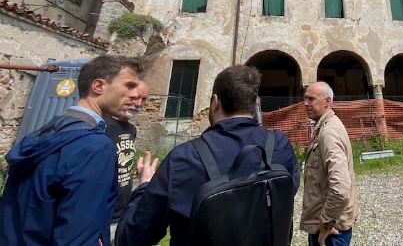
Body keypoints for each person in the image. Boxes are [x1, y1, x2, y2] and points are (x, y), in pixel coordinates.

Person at [115, 65, 300, 246]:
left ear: (215, 101)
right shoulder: (279, 145)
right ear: (255, 103)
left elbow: (133, 237)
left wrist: (143, 186)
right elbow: (288, 189)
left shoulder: (184, 158)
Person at [0, 55, 143, 246]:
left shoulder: (51, 128)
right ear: (99, 86)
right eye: (129, 86)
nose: (135, 95)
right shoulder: (94, 146)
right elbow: (78, 235)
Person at [299, 82, 360, 246]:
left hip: (331, 231)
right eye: (305, 98)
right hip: (329, 224)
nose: (305, 103)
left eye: (311, 99)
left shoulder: (329, 132)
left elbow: (340, 188)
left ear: (326, 101)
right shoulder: (324, 126)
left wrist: (325, 225)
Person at [105, 81, 150, 244]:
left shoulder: (131, 129)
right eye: (135, 97)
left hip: (121, 212)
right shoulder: (103, 126)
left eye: (144, 99)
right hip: (102, 215)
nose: (138, 103)